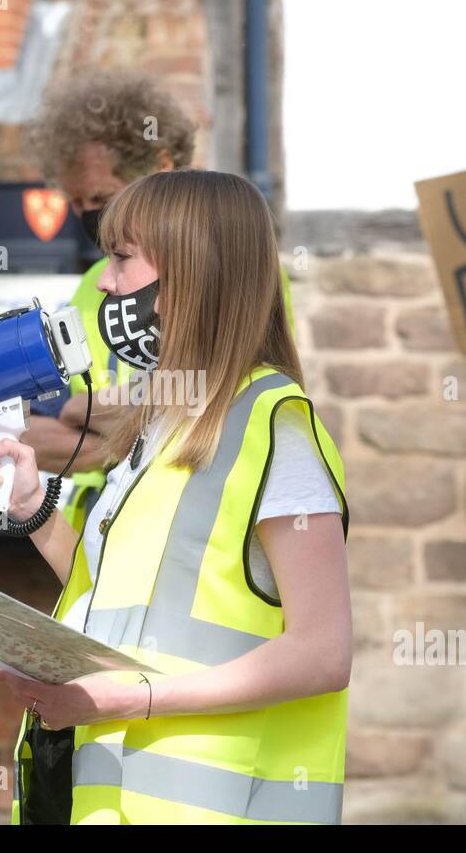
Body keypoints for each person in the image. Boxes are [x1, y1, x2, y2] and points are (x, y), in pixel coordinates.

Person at [0, 169, 352, 824]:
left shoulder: (274, 428)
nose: (106, 283)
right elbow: (115, 598)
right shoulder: (163, 423)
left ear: (193, 271)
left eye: (121, 258)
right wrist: (33, 507)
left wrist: (125, 702)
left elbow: (323, 652)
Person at [20, 71, 295, 536]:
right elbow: (37, 428)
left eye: (102, 197)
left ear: (160, 167)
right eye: (78, 201)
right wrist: (134, 431)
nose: (90, 213)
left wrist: (94, 420)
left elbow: (216, 396)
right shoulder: (95, 281)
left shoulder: (227, 264)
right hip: (98, 526)